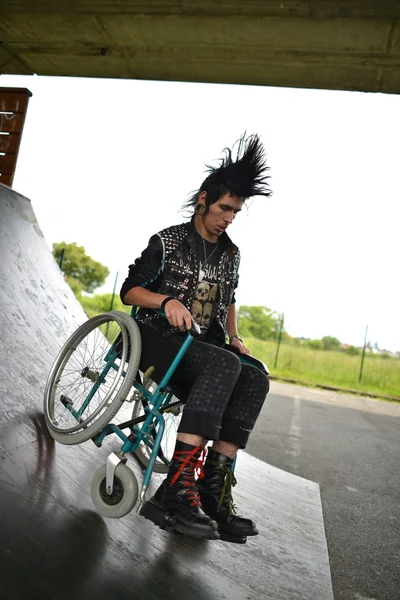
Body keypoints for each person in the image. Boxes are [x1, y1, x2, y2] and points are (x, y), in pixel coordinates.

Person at [120, 133, 272, 543]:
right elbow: (129, 291)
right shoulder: (168, 241)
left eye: (236, 212)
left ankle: (211, 490)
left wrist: (235, 336)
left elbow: (230, 299)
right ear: (204, 200)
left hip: (202, 350)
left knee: (255, 374)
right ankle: (175, 490)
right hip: (154, 338)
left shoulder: (231, 254)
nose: (229, 218)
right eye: (224, 208)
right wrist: (165, 298)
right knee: (223, 363)